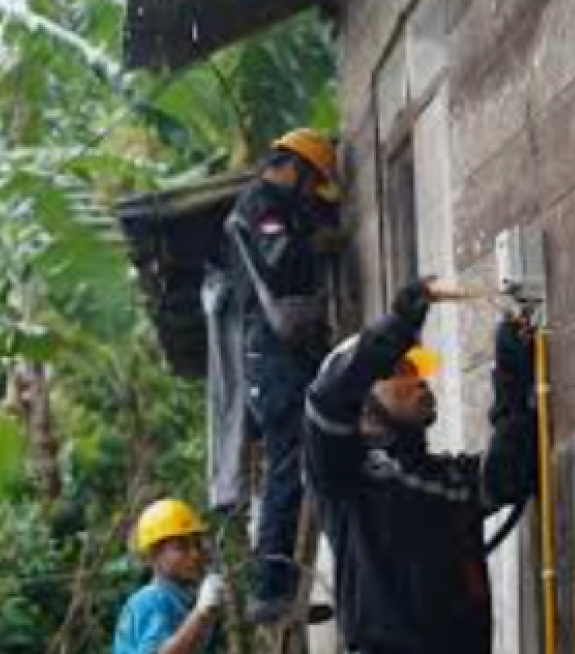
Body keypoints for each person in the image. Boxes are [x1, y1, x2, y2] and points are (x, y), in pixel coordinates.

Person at [303, 279, 539, 654]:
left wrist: (512, 374)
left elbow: (507, 474)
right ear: (363, 402)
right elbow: (326, 399)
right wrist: (397, 328)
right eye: (402, 371)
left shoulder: (446, 479)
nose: (421, 382)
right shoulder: (345, 477)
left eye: (419, 371)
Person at [225, 127, 341, 624]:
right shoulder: (262, 203)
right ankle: (270, 590)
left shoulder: (278, 204)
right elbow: (278, 260)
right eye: (311, 183)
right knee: (285, 472)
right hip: (273, 361)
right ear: (292, 168)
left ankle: (283, 589)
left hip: (282, 359)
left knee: (300, 468)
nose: (312, 195)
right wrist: (317, 242)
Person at [112, 499, 224, 654]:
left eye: (197, 544)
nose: (195, 555)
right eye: (182, 547)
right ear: (153, 555)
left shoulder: (186, 598)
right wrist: (201, 613)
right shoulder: (150, 601)